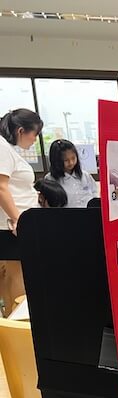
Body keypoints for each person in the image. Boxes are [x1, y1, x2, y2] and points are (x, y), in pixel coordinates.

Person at [0, 108, 43, 316]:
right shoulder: (2, 147)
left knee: (14, 275)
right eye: (34, 134)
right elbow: (1, 187)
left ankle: (13, 320)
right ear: (20, 130)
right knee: (17, 276)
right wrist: (18, 220)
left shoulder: (9, 149)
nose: (35, 139)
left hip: (17, 223)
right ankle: (19, 322)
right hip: (12, 226)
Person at [44, 139, 96, 208]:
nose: (71, 162)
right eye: (66, 160)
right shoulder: (50, 179)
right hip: (65, 216)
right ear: (56, 161)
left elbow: (94, 194)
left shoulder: (85, 175)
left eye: (73, 158)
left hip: (88, 214)